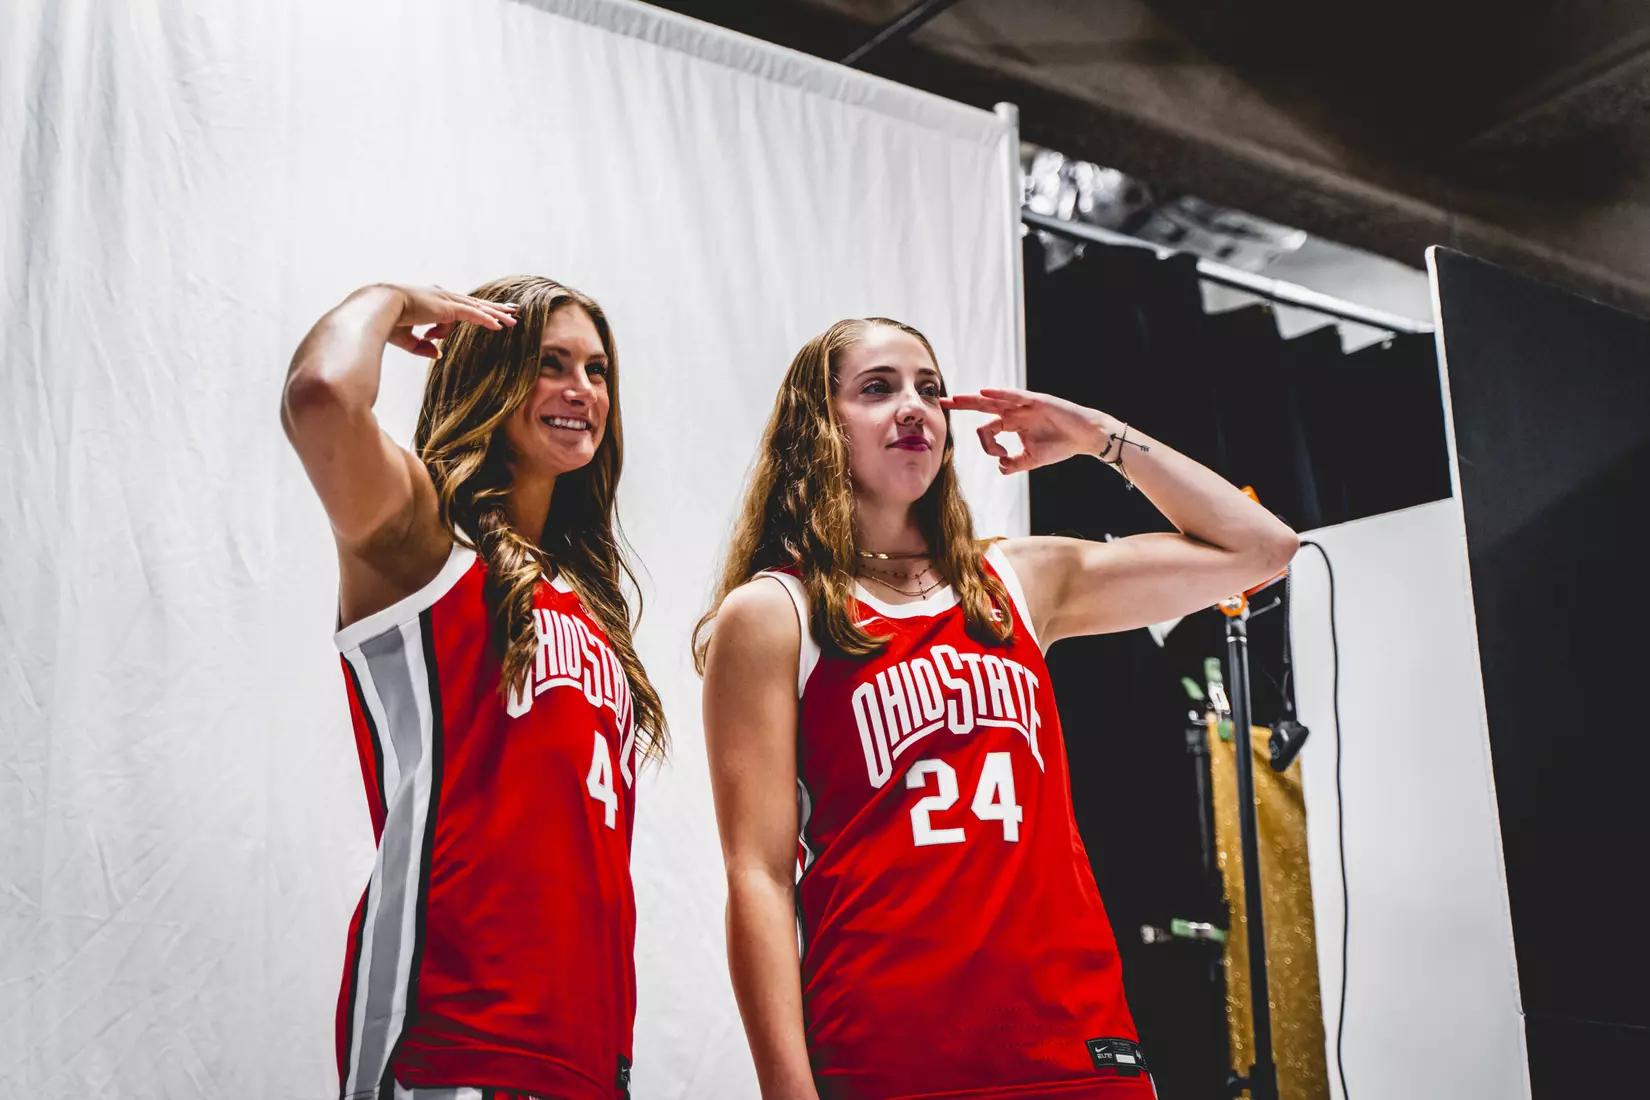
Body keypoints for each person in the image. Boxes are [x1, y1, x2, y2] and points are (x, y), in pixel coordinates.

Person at [696, 317, 1298, 1100]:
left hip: (1078, 1041)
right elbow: (759, 878)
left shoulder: (1016, 580)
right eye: (878, 389)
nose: (913, 407)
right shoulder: (776, 612)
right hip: (894, 1052)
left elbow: (1263, 548)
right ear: (820, 427)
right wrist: (787, 1091)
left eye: (928, 390)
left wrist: (1094, 434)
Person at [282, 277, 665, 1100]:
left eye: (597, 371)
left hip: (586, 1060)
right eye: (550, 363)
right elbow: (320, 397)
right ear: (489, 372)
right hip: (452, 1048)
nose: (581, 390)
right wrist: (391, 299)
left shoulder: (588, 604)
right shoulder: (425, 541)